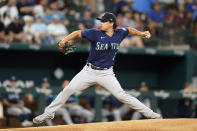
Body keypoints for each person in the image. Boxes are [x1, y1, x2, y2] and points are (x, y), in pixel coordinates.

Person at [33, 12, 161, 124]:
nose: (101, 23)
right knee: (68, 89)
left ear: (111, 23)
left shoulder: (119, 33)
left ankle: (149, 113)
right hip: (89, 71)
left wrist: (142, 34)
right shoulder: (95, 33)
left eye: (103, 21)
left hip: (106, 74)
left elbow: (129, 30)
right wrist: (63, 41)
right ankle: (49, 113)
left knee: (121, 95)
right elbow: (77, 33)